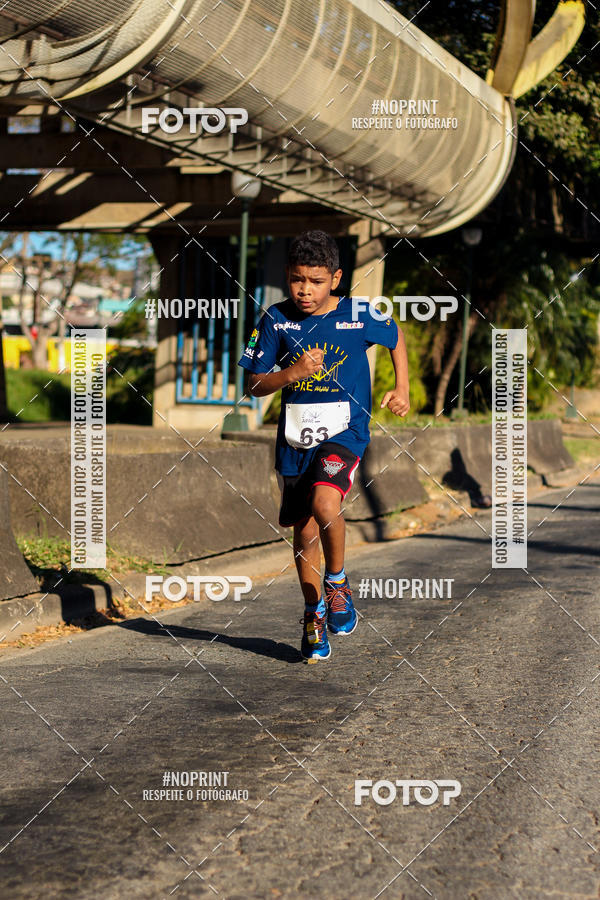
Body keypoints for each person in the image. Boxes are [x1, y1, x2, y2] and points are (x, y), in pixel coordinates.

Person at [238, 230, 410, 663]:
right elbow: (253, 384)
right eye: (297, 279)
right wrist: (291, 373)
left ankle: (337, 584)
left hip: (345, 433)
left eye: (315, 281)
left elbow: (396, 336)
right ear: (287, 276)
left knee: (325, 504)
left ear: (335, 278)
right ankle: (313, 613)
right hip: (296, 440)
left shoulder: (357, 315)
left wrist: (401, 388)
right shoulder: (275, 320)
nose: (304, 290)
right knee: (304, 531)